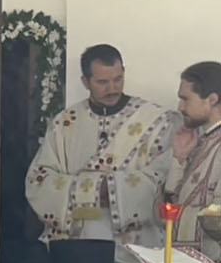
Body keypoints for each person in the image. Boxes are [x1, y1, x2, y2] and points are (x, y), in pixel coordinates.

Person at [25, 44, 181, 245]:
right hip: (78, 241)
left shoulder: (158, 122)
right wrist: (90, 189)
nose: (112, 89)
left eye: (118, 79)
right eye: (102, 82)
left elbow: (165, 177)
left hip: (135, 244)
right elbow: (39, 179)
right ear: (85, 82)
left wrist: (115, 189)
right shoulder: (65, 123)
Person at [167, 61, 221, 243]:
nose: (180, 107)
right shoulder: (199, 142)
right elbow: (166, 211)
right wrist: (179, 160)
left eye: (186, 99)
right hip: (187, 260)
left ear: (212, 99)